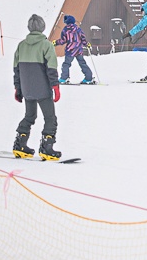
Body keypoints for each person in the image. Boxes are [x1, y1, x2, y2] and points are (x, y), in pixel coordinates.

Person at [12, 14, 62, 160]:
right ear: (42, 27)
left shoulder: (21, 45)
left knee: (30, 116)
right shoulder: (46, 45)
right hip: (43, 89)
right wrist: (55, 87)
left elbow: (17, 70)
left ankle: (20, 144)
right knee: (50, 118)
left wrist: (18, 88)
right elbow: (51, 68)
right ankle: (47, 147)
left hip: (27, 89)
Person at [54, 15, 94, 84]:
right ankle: (88, 78)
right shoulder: (78, 29)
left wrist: (56, 43)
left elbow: (63, 40)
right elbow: (83, 38)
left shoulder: (65, 30)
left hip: (70, 50)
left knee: (66, 64)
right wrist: (87, 44)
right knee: (82, 63)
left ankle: (64, 78)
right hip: (79, 50)